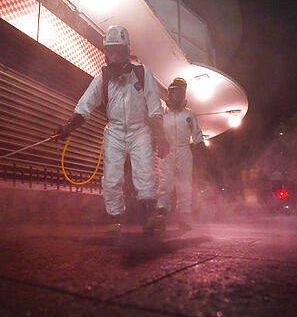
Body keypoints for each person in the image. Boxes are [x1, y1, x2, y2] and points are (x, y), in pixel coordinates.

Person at [55, 25, 169, 232]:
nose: (114, 56)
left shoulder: (143, 74)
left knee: (144, 174)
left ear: (126, 51)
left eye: (119, 50)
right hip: (114, 132)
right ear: (106, 52)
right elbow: (84, 107)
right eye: (111, 51)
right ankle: (114, 219)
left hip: (140, 130)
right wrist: (68, 128)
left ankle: (149, 217)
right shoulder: (103, 79)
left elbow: (154, 109)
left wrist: (160, 136)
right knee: (112, 177)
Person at [156, 77, 204, 230]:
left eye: (179, 93)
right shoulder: (163, 113)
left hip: (184, 151)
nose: (176, 96)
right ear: (169, 94)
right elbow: (156, 131)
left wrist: (202, 151)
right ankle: (161, 215)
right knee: (165, 183)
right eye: (173, 92)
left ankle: (184, 218)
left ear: (184, 94)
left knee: (184, 185)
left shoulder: (189, 114)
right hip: (167, 151)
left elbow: (197, 134)